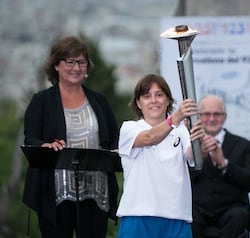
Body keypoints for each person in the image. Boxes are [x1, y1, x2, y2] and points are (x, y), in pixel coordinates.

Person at [22, 36, 120, 238]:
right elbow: (30, 138)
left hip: (96, 191)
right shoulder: (41, 101)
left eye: (81, 62)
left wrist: (116, 151)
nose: (76, 67)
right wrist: (46, 146)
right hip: (55, 192)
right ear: (56, 65)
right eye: (70, 61)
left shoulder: (99, 101)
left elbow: (114, 139)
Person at [116, 74, 206, 238]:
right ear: (138, 103)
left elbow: (194, 157)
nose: (154, 100)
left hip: (176, 217)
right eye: (147, 96)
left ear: (168, 100)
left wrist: (198, 139)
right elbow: (149, 138)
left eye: (159, 95)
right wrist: (175, 118)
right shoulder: (129, 129)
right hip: (138, 217)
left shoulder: (181, 131)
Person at [190, 95, 250, 238]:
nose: (211, 118)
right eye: (206, 114)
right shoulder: (189, 145)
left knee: (238, 216)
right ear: (198, 117)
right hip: (198, 211)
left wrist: (224, 164)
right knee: (189, 217)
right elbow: (182, 179)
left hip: (232, 209)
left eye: (217, 114)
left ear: (225, 117)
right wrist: (200, 158)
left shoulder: (243, 145)